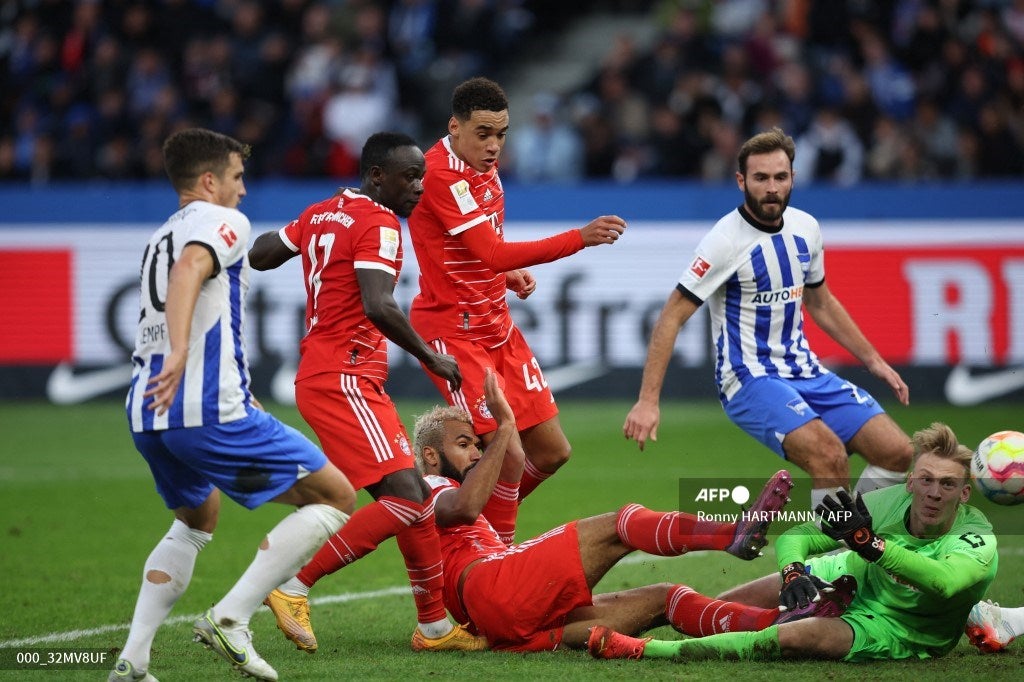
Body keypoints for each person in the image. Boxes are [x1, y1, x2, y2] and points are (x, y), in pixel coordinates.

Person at [111, 128, 356, 682]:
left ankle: (133, 661)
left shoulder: (161, 234)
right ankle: (231, 618)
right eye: (237, 177)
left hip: (148, 411)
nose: (243, 190)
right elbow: (190, 270)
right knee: (336, 495)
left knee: (197, 519)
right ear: (208, 181)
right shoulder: (224, 223)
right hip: (204, 406)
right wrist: (180, 352)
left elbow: (189, 288)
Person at [248, 132, 485, 654]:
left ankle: (434, 628)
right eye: (409, 176)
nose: (419, 187)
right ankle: (293, 586)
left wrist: (302, 229)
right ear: (377, 176)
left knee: (413, 499)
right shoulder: (379, 223)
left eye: (422, 176)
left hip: (332, 376)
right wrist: (430, 356)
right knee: (409, 497)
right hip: (345, 377)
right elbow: (379, 304)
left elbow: (261, 255)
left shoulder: (322, 212)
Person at [624, 126, 913, 510]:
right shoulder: (724, 241)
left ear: (793, 177)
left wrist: (873, 360)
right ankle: (834, 544)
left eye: (780, 177)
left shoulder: (806, 228)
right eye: (761, 178)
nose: (772, 188)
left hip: (805, 371)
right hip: (748, 379)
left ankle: (853, 530)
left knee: (897, 453)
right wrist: (648, 401)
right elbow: (671, 316)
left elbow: (821, 302)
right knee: (828, 456)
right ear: (741, 181)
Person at [419, 368, 805, 652]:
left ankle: (782, 626)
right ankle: (730, 535)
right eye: (464, 445)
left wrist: (503, 430)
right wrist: (504, 427)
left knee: (665, 598)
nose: (476, 454)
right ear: (431, 456)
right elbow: (464, 508)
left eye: (477, 446)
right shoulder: (430, 487)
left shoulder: (473, 502)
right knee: (621, 523)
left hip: (503, 615)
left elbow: (513, 465)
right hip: (492, 588)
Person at [591, 422, 998, 663]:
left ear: (964, 494)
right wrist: (792, 571)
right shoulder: (884, 503)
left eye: (948, 484)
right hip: (849, 574)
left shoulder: (976, 537)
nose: (934, 493)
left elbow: (943, 581)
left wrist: (871, 545)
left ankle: (645, 650)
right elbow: (798, 535)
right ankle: (813, 602)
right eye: (926, 480)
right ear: (910, 482)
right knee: (718, 611)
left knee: (793, 638)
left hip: (898, 627)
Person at [407, 75, 628, 514]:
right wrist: (579, 238)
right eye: (483, 134)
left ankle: (468, 521)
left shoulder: (483, 168)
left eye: (502, 135)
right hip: (455, 332)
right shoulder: (440, 175)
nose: (494, 146)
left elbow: (472, 248)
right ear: (455, 127)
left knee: (552, 451)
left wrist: (506, 274)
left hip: (498, 326)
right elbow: (490, 251)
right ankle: (480, 541)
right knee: (507, 457)